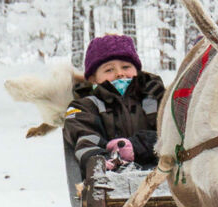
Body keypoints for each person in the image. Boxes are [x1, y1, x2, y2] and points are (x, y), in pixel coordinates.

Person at [63, 34, 167, 178]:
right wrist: (105, 159)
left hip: (162, 175)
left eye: (126, 67)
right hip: (110, 181)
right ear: (93, 78)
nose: (119, 73)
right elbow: (85, 139)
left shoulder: (157, 98)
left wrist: (135, 146)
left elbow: (174, 135)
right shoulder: (85, 107)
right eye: (109, 70)